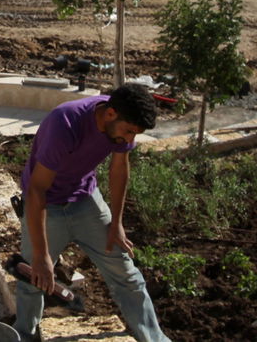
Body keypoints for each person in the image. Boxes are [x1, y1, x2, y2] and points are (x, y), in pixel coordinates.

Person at [14, 84, 171, 342]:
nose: (130, 140)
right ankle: (24, 335)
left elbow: (119, 169)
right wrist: (42, 255)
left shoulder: (121, 121)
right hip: (47, 206)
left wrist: (116, 223)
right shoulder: (64, 124)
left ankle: (154, 338)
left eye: (136, 134)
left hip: (86, 201)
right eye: (129, 131)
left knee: (126, 274)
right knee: (34, 277)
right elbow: (37, 190)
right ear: (109, 114)